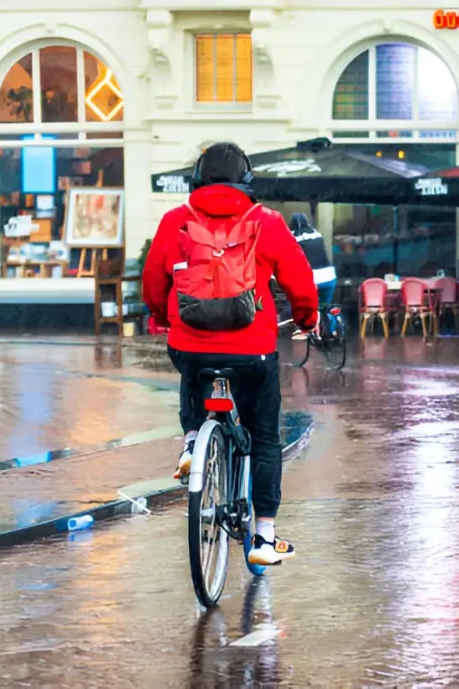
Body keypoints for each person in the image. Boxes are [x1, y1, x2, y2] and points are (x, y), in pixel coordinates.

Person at [143, 142, 318, 565]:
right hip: (253, 349)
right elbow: (300, 279)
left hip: (191, 343)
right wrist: (307, 318)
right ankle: (263, 536)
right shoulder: (268, 222)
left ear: (197, 179)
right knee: (264, 437)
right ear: (247, 181)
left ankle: (191, 444)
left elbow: (153, 279)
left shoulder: (175, 221)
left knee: (191, 370)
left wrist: (159, 315)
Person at [288, 213, 336, 340]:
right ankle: (331, 331)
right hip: (329, 276)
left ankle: (303, 328)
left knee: (299, 301)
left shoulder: (292, 237)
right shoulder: (317, 234)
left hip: (312, 278)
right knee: (325, 306)